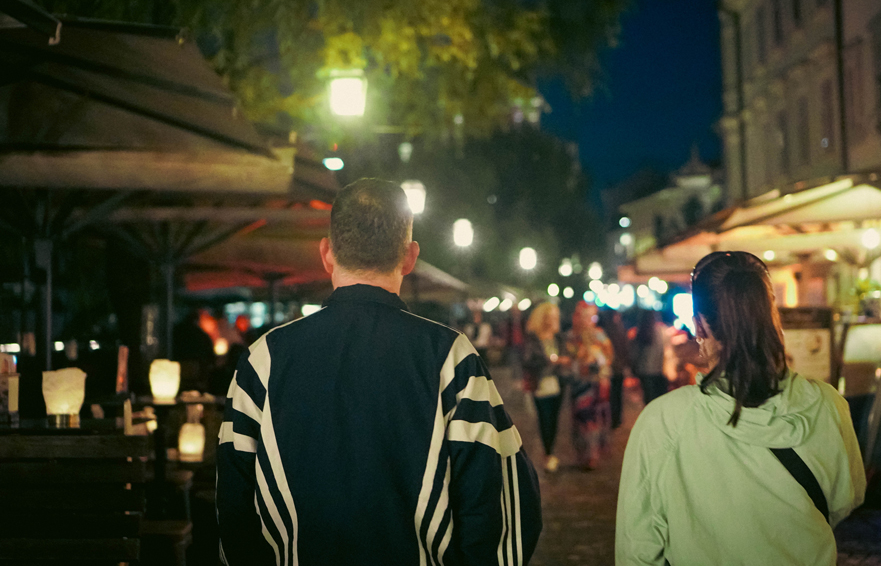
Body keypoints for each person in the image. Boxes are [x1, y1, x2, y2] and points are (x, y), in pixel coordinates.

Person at [217, 179, 542, 565]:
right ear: (410, 257)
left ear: (326, 253)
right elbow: (502, 504)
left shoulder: (263, 360)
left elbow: (232, 509)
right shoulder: (450, 358)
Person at [616, 251, 865, 565]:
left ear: (699, 326)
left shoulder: (663, 422)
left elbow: (637, 547)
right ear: (771, 316)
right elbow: (846, 499)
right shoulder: (827, 405)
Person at [521, 302, 571, 473]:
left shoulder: (559, 337)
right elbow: (527, 360)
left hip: (557, 382)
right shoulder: (533, 337)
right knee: (545, 418)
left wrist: (563, 361)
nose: (552, 321)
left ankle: (550, 450)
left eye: (555, 317)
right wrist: (547, 361)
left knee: (555, 419)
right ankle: (547, 453)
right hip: (540, 383)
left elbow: (566, 355)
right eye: (550, 317)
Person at [566, 301, 613, 470]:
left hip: (597, 383)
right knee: (581, 418)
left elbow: (608, 357)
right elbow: (570, 358)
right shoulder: (572, 336)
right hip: (580, 383)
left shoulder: (599, 335)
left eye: (592, 316)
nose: (590, 320)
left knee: (594, 418)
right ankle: (583, 452)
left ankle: (592, 453)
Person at [597, 310, 630, 429]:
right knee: (617, 394)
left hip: (612, 368)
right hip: (617, 367)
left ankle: (612, 419)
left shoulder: (607, 331)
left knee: (611, 395)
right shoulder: (618, 330)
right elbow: (625, 349)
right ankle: (617, 418)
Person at [632, 310, 668, 405]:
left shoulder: (640, 332)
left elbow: (634, 353)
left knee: (649, 400)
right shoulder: (661, 331)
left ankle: (650, 418)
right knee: (659, 400)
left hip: (644, 371)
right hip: (659, 369)